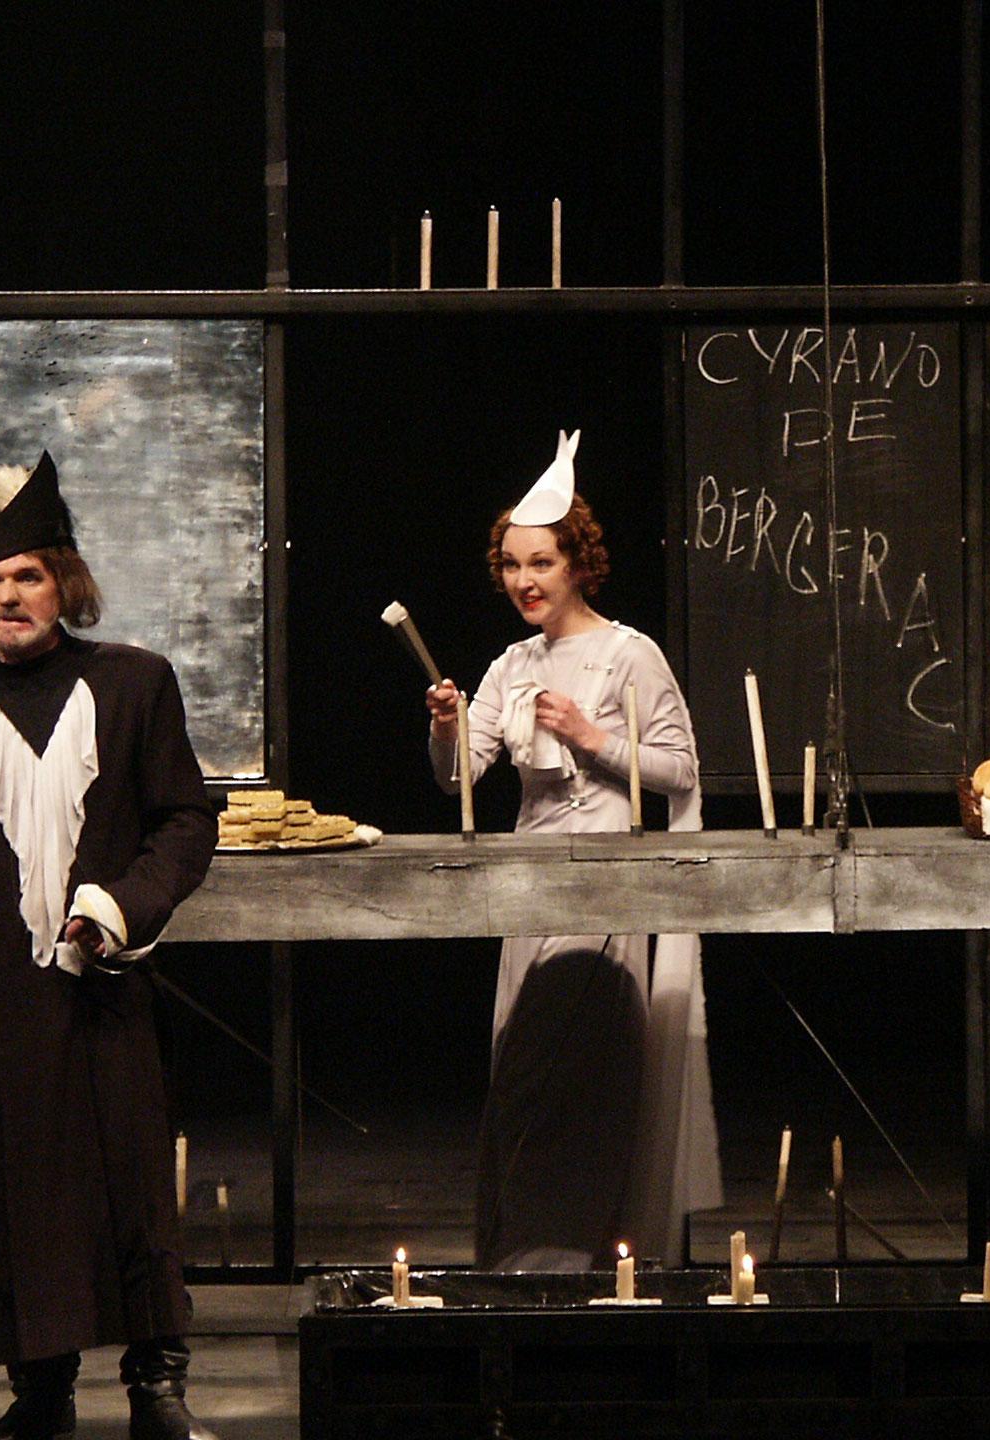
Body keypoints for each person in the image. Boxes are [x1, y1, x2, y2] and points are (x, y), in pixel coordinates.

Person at [0, 451, 222, 1440]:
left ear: (63, 583)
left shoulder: (134, 684)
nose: (8, 596)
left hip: (102, 990)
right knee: (12, 1194)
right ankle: (41, 1395)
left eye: (27, 575)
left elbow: (186, 820)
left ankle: (157, 1389)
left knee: (131, 1185)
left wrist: (123, 904)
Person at [425, 431, 723, 1271]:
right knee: (523, 1074)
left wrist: (594, 738)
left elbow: (680, 771)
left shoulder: (631, 655)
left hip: (604, 892)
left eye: (542, 563)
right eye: (512, 565)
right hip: (529, 894)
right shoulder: (511, 664)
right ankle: (521, 1255)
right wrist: (446, 728)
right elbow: (460, 778)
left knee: (581, 1073)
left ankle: (579, 1258)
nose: (524, 580)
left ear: (579, 565)